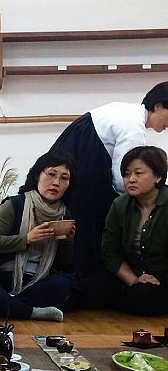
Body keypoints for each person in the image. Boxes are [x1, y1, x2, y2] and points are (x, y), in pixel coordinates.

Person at [51, 81, 168, 277]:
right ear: (158, 106)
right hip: (85, 161)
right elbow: (123, 180)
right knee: (95, 221)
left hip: (76, 153)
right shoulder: (134, 127)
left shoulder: (126, 111)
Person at [0, 149, 76, 321]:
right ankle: (27, 311)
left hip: (37, 281)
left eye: (64, 178)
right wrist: (27, 239)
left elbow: (62, 265)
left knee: (63, 284)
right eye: (51, 174)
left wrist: (67, 242)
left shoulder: (65, 215)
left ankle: (4, 304)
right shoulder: (15, 205)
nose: (56, 182)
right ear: (38, 175)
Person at [68, 146, 168, 315]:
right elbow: (111, 252)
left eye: (138, 173)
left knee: (146, 297)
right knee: (81, 291)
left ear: (158, 176)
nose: (131, 179)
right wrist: (134, 280)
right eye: (126, 174)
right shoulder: (120, 205)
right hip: (129, 275)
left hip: (162, 279)